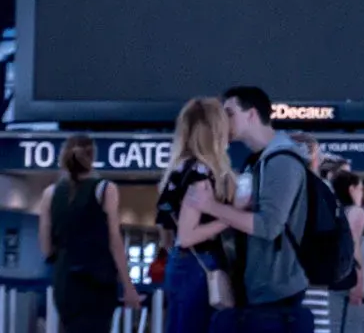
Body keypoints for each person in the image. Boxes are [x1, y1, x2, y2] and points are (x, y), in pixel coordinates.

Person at [185, 86, 314, 333]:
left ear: (252, 114)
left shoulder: (282, 161)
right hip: (259, 294)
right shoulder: (258, 162)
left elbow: (268, 226)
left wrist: (210, 206)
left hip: (275, 298)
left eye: (230, 113)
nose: (224, 121)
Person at [37, 134, 141, 333]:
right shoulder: (105, 189)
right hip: (97, 282)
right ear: (92, 157)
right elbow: (114, 241)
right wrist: (128, 286)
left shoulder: (50, 193)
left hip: (65, 282)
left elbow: (46, 247)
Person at [157, 98, 238, 333]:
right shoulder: (200, 176)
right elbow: (188, 235)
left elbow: (170, 233)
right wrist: (229, 217)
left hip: (183, 266)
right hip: (199, 269)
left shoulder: (179, 172)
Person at [330, 172, 364, 333]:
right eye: (360, 189)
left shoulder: (334, 210)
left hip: (330, 274)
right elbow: (353, 245)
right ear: (351, 189)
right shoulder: (356, 212)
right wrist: (358, 281)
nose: (362, 193)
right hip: (347, 275)